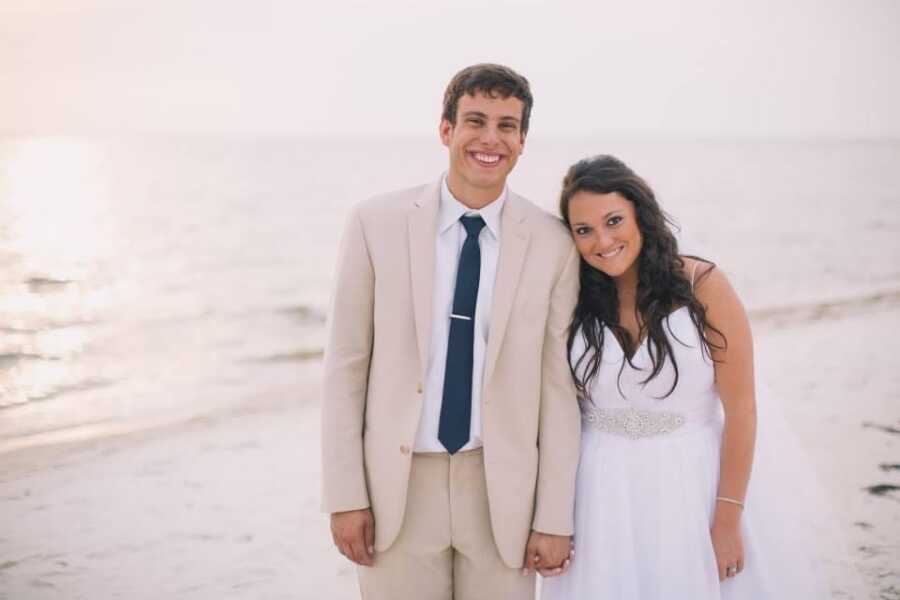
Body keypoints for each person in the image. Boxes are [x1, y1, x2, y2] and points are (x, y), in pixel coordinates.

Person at [320, 64, 582, 600]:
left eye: (507, 126)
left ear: (523, 141)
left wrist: (554, 513)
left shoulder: (554, 243)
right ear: (446, 130)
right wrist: (344, 495)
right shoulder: (375, 223)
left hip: (503, 491)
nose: (491, 139)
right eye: (475, 121)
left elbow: (559, 390)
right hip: (398, 487)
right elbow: (345, 368)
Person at [542, 155, 827, 598]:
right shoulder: (573, 295)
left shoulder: (703, 285)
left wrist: (728, 519)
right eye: (584, 230)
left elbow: (742, 409)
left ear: (641, 213)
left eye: (614, 221)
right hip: (600, 492)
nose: (602, 240)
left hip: (692, 481)